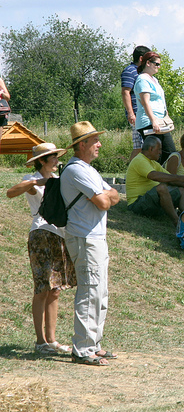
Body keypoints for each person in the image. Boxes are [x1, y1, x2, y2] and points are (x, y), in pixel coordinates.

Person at [6, 143, 76, 355]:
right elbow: (10, 193)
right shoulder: (32, 179)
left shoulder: (59, 180)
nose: (56, 160)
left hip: (59, 235)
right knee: (42, 289)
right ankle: (40, 341)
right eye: (52, 157)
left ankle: (51, 340)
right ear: (42, 161)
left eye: (56, 156)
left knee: (55, 290)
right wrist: (36, 182)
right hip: (41, 233)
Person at [60, 121, 120, 366]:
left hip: (94, 238)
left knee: (99, 292)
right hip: (85, 238)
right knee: (89, 291)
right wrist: (104, 196)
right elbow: (106, 202)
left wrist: (104, 195)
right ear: (81, 144)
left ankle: (93, 344)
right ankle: (83, 348)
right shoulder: (77, 170)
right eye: (94, 140)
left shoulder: (88, 170)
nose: (99, 144)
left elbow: (114, 194)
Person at [126, 136, 184, 226]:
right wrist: (180, 178)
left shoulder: (153, 163)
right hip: (138, 204)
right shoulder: (139, 160)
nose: (161, 152)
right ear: (151, 149)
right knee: (161, 188)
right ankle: (177, 221)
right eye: (159, 149)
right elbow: (154, 176)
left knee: (182, 190)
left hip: (151, 203)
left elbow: (170, 177)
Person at [133, 51, 176, 165]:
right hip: (149, 122)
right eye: (156, 64)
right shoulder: (143, 79)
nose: (158, 67)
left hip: (159, 121)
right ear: (148, 63)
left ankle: (163, 180)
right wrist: (153, 121)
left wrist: (165, 115)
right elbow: (145, 102)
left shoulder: (154, 80)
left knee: (166, 154)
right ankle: (153, 179)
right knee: (161, 154)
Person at [121, 45, 151, 162]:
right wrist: (131, 113)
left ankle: (131, 174)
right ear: (141, 59)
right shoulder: (130, 71)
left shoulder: (141, 73)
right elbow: (125, 92)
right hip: (136, 113)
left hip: (142, 113)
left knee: (139, 146)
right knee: (142, 145)